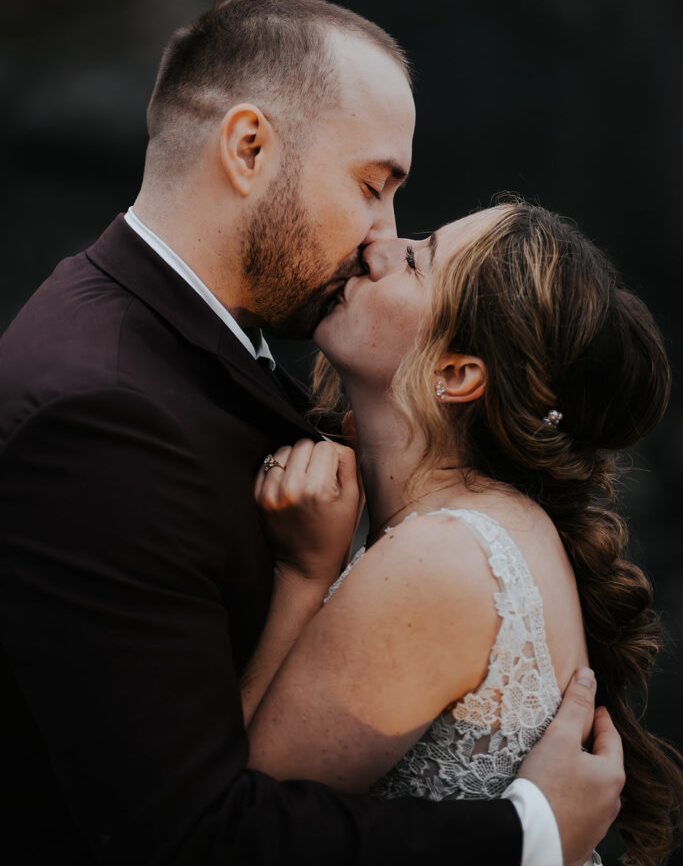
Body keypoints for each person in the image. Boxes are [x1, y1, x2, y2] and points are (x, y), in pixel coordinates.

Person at [0, 0, 622, 866]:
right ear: (248, 149)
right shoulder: (99, 412)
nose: (381, 237)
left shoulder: (217, 351)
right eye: (372, 188)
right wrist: (528, 833)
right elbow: (183, 833)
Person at [246, 200, 683, 866]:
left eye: (417, 259)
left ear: (455, 374)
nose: (379, 245)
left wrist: (302, 576)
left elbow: (229, 826)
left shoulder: (442, 559)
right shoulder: (479, 525)